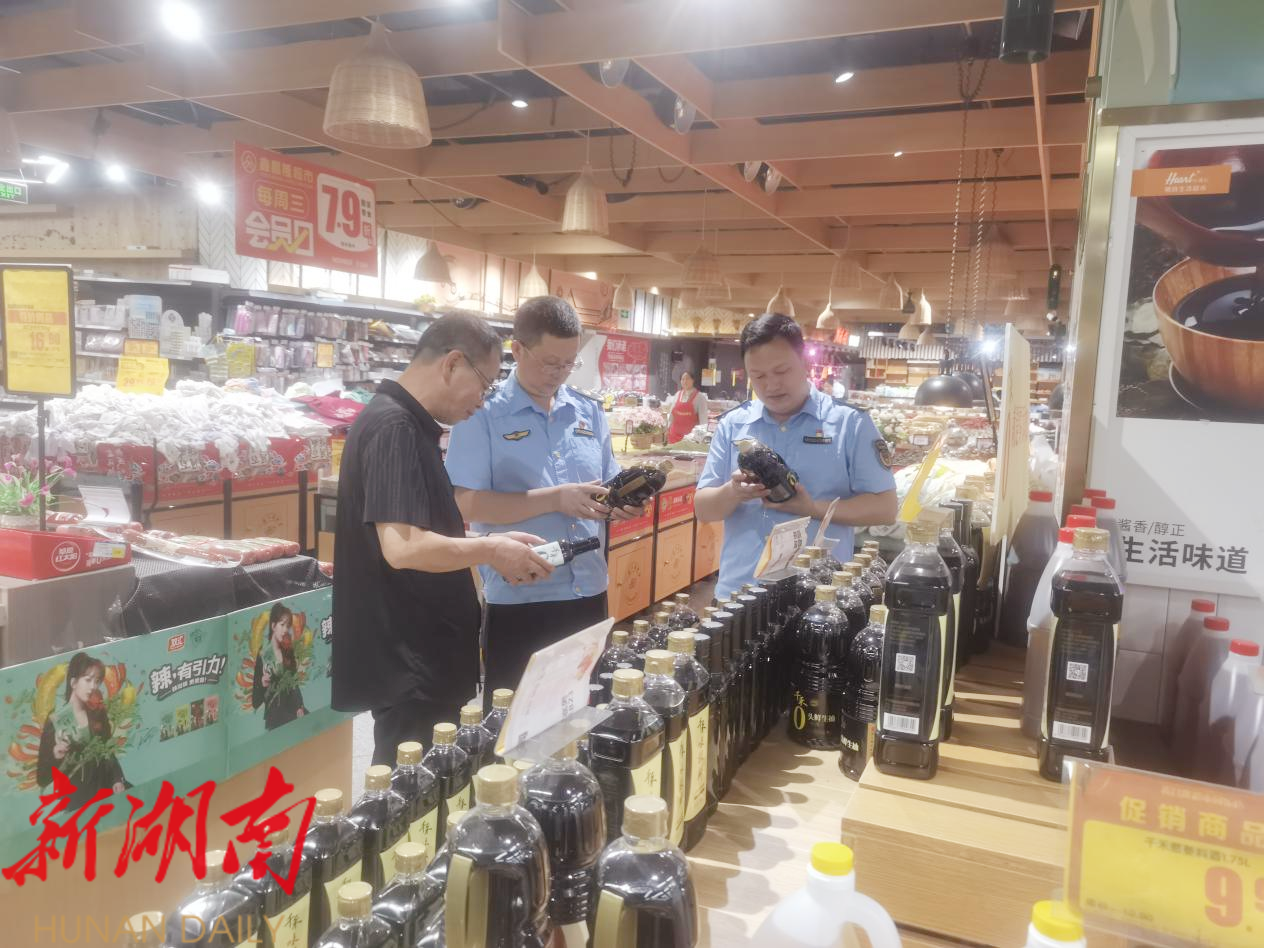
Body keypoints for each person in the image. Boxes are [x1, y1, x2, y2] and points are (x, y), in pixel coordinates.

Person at [332, 311, 555, 766]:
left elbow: (418, 527)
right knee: (413, 788)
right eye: (485, 384)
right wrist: (491, 549)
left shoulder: (405, 425)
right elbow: (404, 547)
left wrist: (489, 541)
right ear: (452, 363)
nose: (484, 401)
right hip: (411, 660)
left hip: (419, 656)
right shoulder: (394, 427)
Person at [446, 296, 639, 710]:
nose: (559, 374)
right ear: (517, 350)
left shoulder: (587, 411)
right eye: (550, 363)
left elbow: (607, 485)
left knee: (583, 712)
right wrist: (555, 499)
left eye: (569, 363)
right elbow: (464, 503)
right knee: (515, 719)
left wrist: (622, 503)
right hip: (521, 596)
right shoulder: (482, 413)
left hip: (587, 589)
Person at [695, 313, 898, 600]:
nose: (771, 385)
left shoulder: (849, 423)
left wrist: (811, 508)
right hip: (739, 595)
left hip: (819, 599)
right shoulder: (733, 425)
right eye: (758, 376)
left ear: (805, 363)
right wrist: (733, 491)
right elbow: (704, 510)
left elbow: (885, 508)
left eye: (781, 371)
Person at [37, 652, 127, 808]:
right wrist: (56, 755)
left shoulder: (98, 713)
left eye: (97, 681)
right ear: (73, 683)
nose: (93, 687)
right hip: (77, 797)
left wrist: (117, 778)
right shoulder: (54, 721)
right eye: (88, 680)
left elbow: (107, 751)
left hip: (105, 785)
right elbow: (42, 778)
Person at [252, 602, 307, 730]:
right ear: (273, 626)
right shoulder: (263, 654)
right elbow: (255, 702)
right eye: (282, 625)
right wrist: (262, 684)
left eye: (287, 626)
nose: (285, 630)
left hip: (292, 708)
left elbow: (294, 683)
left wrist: (300, 706)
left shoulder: (288, 650)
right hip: (275, 714)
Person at [666, 370, 709, 444]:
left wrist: (700, 439)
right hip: (673, 437)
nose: (685, 381)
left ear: (693, 380)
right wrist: (667, 429)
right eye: (683, 379)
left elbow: (703, 422)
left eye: (687, 378)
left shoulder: (700, 398)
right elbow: (671, 416)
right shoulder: (677, 395)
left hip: (690, 440)